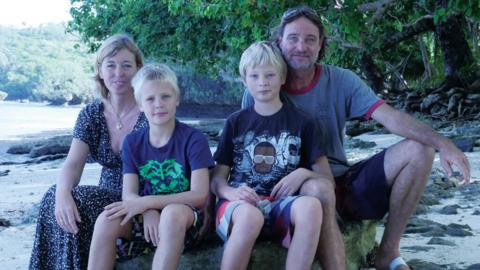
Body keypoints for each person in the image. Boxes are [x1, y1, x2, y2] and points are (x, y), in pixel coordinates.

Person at [242, 6, 471, 270]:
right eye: (293, 38)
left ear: (320, 46)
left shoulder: (341, 80)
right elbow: (244, 150)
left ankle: (388, 251)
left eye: (310, 39)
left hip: (343, 182)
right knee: (317, 188)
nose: (301, 46)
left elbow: (390, 117)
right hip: (291, 191)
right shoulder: (260, 86)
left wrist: (443, 143)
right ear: (279, 41)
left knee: (420, 150)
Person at [212, 41, 337, 270]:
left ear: (282, 78)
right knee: (250, 217)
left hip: (280, 207)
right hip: (240, 209)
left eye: (269, 75)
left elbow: (326, 179)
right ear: (244, 80)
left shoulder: (303, 122)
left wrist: (303, 173)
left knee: (311, 207)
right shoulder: (235, 122)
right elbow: (217, 179)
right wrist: (232, 192)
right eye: (255, 76)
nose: (262, 83)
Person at [29, 34, 147, 270]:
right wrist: (63, 193)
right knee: (54, 197)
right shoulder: (91, 114)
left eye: (126, 65)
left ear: (138, 70)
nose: (118, 73)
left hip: (139, 199)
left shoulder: (150, 110)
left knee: (80, 202)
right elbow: (73, 165)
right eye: (110, 65)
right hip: (106, 194)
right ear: (100, 71)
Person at [87, 63, 214, 270]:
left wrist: (148, 204)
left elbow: (199, 194)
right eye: (150, 99)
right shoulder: (132, 142)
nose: (158, 104)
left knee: (171, 214)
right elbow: (129, 195)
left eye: (166, 96)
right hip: (149, 218)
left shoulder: (194, 139)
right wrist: (148, 211)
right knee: (105, 220)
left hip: (187, 220)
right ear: (139, 104)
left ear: (177, 99)